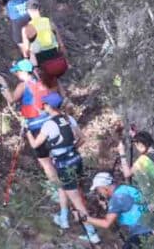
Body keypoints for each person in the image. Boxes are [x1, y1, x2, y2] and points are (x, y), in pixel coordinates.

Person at [25, 92, 101, 243]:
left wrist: (27, 132)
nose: (43, 106)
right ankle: (64, 217)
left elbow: (35, 144)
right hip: (76, 159)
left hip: (64, 164)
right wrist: (71, 149)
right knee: (63, 187)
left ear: (49, 106)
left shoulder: (49, 124)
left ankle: (92, 234)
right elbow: (82, 138)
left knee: (76, 200)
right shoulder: (68, 119)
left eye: (45, 104)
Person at [0, 59, 59, 182]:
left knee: (45, 161)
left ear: (24, 72)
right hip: (51, 121)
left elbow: (11, 99)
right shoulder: (41, 82)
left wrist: (3, 85)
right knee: (56, 155)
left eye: (18, 72)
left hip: (36, 125)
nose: (16, 74)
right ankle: (67, 182)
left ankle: (57, 187)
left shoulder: (23, 85)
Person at [85, 172, 154, 248]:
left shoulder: (117, 198)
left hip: (142, 232)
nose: (99, 193)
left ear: (104, 187)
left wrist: (86, 219)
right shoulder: (125, 188)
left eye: (98, 189)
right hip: (153, 225)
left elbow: (106, 224)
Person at [22, 0, 68, 91]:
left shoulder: (27, 28)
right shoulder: (49, 22)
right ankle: (64, 98)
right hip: (58, 60)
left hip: (43, 63)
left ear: (28, 11)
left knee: (47, 83)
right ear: (39, 9)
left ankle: (54, 100)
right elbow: (61, 44)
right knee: (54, 80)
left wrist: (28, 64)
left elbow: (26, 51)